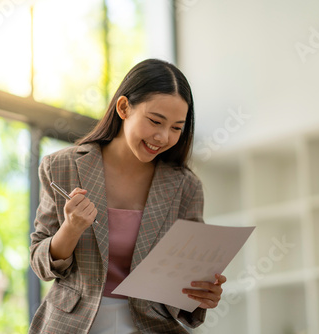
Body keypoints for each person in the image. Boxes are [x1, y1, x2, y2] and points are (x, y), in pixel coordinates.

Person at [29, 58, 227, 334]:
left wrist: (202, 295)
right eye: (155, 121)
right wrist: (71, 228)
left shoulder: (185, 187)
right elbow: (41, 262)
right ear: (123, 108)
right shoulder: (62, 167)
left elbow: (187, 280)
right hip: (71, 325)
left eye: (176, 128)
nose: (163, 136)